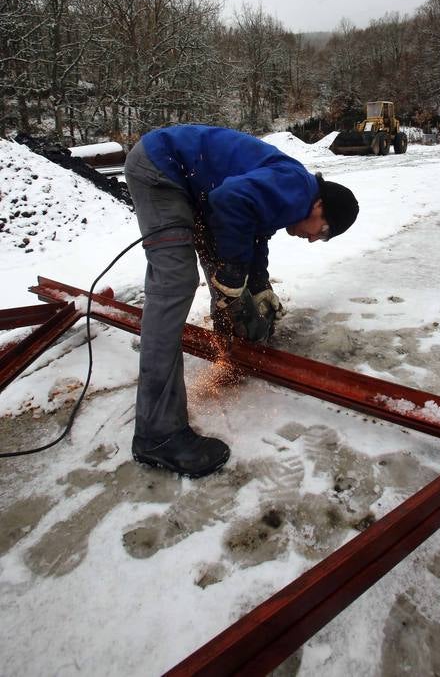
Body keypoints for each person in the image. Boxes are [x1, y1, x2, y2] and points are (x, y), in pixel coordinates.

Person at [124, 124, 359, 479]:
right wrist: (234, 272)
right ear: (320, 206)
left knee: (229, 269)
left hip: (184, 177)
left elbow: (253, 230)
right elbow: (231, 199)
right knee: (175, 282)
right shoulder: (297, 188)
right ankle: (157, 434)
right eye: (323, 232)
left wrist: (258, 283)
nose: (314, 240)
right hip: (162, 169)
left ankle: (234, 343)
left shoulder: (292, 192)